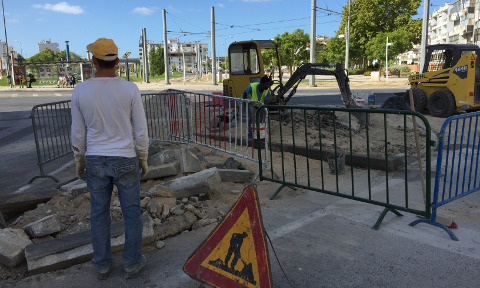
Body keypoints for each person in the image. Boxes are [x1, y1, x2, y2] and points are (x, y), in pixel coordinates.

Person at [70, 38, 149, 280]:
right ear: (117, 61)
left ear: (93, 61)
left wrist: (79, 158)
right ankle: (132, 262)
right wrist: (143, 155)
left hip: (95, 158)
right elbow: (141, 128)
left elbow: (78, 131)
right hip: (125, 158)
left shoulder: (80, 90)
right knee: (132, 212)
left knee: (99, 213)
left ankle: (103, 263)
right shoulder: (130, 89)